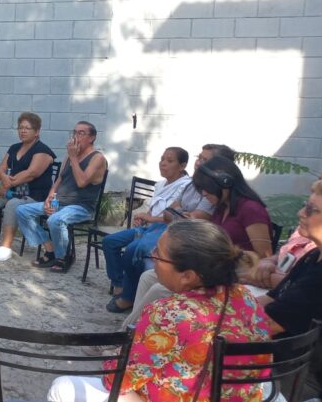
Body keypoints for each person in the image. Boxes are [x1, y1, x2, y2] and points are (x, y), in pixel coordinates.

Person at [48, 220, 270, 402]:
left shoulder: (171, 314)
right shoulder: (245, 299)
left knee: (62, 387)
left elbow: (116, 381)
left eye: (158, 254)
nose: (152, 257)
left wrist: (121, 356)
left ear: (188, 276)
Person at [257, 174, 322, 402]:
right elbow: (270, 299)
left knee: (204, 362)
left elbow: (265, 325)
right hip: (292, 369)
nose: (300, 213)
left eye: (311, 209)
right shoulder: (316, 255)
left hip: (313, 393)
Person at [102, 147, 192, 314]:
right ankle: (120, 286)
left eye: (169, 161)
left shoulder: (185, 186)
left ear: (182, 165)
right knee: (109, 242)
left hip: (166, 230)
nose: (163, 163)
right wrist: (145, 217)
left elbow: (172, 217)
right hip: (149, 227)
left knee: (133, 251)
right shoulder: (161, 184)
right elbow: (154, 210)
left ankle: (129, 297)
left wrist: (151, 219)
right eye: (162, 159)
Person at [15, 120, 108, 272]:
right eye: (74, 132)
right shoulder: (70, 156)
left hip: (81, 206)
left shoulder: (97, 158)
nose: (76, 136)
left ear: (91, 138)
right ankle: (50, 250)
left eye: (81, 133)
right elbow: (59, 179)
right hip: (60, 202)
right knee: (22, 211)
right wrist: (49, 197)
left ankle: (64, 256)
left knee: (55, 220)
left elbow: (82, 182)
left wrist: (74, 158)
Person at [245, 161, 322, 291]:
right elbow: (286, 252)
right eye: (320, 180)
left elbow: (311, 286)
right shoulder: (310, 237)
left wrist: (262, 278)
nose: (300, 213)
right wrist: (269, 261)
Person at [0, 112, 56, 262]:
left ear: (37, 131)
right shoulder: (14, 148)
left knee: (13, 204)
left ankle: (5, 247)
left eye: (27, 128)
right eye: (20, 128)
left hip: (34, 195)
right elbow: (0, 170)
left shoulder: (43, 150)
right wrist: (4, 180)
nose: (22, 131)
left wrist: (5, 186)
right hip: (12, 191)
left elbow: (31, 174)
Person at [192, 156, 273, 257]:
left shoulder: (251, 209)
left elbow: (265, 255)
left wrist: (229, 253)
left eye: (208, 188)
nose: (204, 193)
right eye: (201, 189)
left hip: (242, 266)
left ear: (225, 182)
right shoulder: (222, 207)